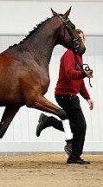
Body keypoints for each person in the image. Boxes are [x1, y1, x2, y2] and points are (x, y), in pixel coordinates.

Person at [36, 29, 94, 164]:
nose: (80, 41)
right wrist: (84, 74)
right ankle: (74, 156)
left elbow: (79, 82)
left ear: (84, 41)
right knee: (81, 126)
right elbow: (69, 73)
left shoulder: (78, 57)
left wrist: (87, 98)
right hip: (65, 95)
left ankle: (48, 121)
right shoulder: (69, 54)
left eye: (82, 39)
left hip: (69, 95)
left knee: (75, 125)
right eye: (77, 39)